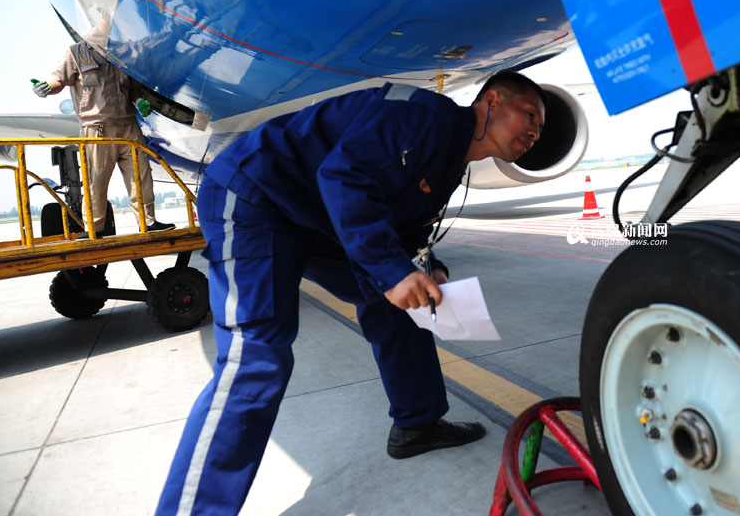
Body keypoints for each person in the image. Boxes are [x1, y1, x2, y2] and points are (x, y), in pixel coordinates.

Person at [154, 70, 546, 515]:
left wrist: (427, 269)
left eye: (540, 126)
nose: (535, 130)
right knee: (256, 357)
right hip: (255, 196)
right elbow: (343, 177)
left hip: (316, 217)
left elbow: (405, 228)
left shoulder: (450, 159)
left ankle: (417, 425)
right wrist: (392, 270)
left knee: (400, 298)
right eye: (529, 113)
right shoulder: (425, 116)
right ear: (492, 101)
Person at [33, 38, 175, 235]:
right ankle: (94, 228)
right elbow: (60, 80)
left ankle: (148, 222)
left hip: (128, 125)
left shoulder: (124, 50)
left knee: (141, 176)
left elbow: (132, 87)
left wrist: (140, 100)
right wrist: (47, 87)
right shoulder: (77, 53)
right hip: (97, 128)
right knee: (96, 181)